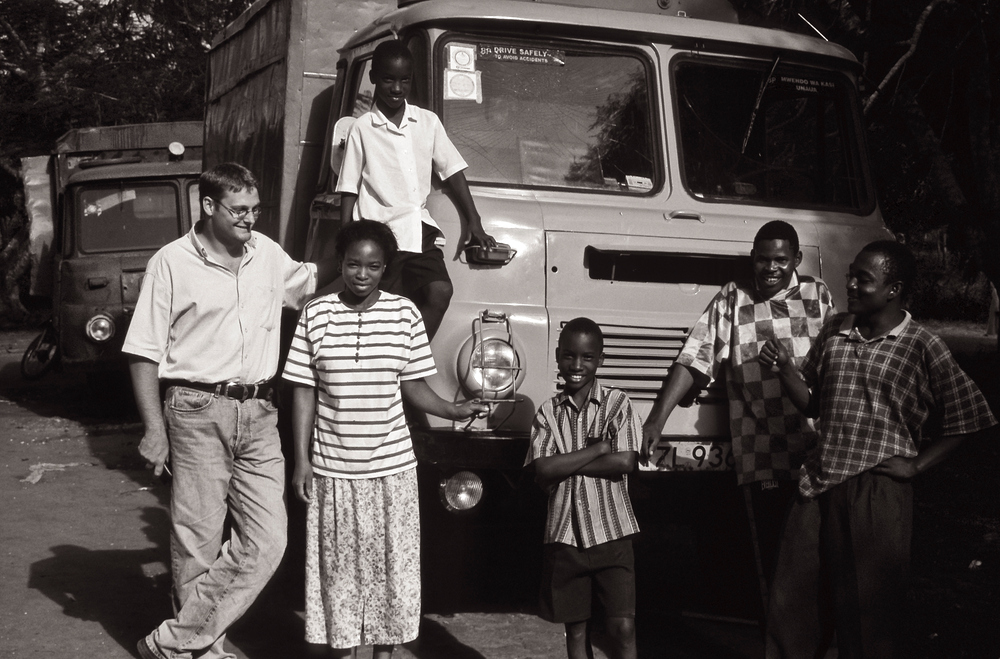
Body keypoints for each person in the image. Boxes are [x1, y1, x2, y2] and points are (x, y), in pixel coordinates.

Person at [124, 162, 337, 659]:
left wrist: (354, 231)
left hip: (261, 411)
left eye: (255, 210)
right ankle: (202, 649)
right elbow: (142, 352)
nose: (250, 221)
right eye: (239, 211)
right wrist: (153, 429)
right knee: (197, 540)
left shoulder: (265, 254)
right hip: (196, 409)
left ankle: (173, 641)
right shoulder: (171, 262)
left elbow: (305, 281)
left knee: (268, 541)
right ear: (208, 207)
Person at [759, 240, 997, 659]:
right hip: (820, 481)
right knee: (793, 604)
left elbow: (971, 417)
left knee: (868, 614)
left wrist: (918, 466)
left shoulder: (921, 345)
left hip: (878, 490)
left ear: (894, 289)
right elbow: (814, 403)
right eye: (850, 273)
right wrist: (784, 368)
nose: (850, 283)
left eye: (862, 279)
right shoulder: (835, 330)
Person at [281, 219, 487, 659]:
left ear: (385, 268)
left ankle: (384, 655)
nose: (362, 274)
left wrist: (453, 409)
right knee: (339, 578)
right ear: (340, 263)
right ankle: (345, 652)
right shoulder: (315, 314)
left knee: (391, 576)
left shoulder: (404, 313)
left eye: (373, 266)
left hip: (391, 473)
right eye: (353, 264)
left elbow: (412, 385)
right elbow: (304, 391)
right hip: (333, 472)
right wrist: (301, 462)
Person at [641, 220, 835, 617]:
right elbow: (695, 357)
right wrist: (655, 420)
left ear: (796, 259)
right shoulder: (734, 297)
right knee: (769, 561)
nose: (770, 268)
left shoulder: (818, 295)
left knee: (814, 559)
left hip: (814, 452)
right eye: (762, 259)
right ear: (752, 259)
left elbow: (836, 363)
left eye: (780, 259)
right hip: (761, 450)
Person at [336, 39, 495, 340]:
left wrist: (474, 222)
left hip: (418, 228)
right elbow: (348, 187)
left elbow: (453, 171)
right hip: (378, 233)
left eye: (404, 80)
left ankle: (410, 359)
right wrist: (345, 239)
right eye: (388, 79)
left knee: (440, 291)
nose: (397, 88)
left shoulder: (427, 122)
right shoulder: (363, 128)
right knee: (381, 307)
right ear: (373, 78)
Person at [526, 317, 641, 659]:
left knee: (623, 627)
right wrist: (598, 449)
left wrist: (566, 462)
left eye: (587, 357)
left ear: (600, 359)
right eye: (569, 356)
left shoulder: (617, 403)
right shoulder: (547, 413)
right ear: (558, 357)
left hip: (613, 533)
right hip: (565, 538)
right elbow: (542, 469)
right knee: (576, 630)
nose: (577, 366)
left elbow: (625, 462)